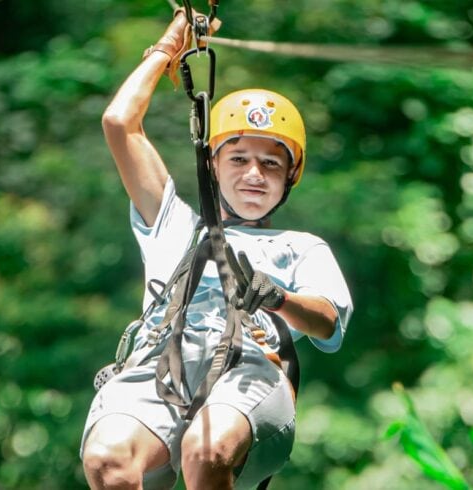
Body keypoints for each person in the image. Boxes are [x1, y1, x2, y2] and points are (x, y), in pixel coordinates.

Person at [80, 9, 353, 490]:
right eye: (240, 159)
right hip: (160, 368)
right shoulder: (172, 225)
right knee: (108, 459)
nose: (254, 174)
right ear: (213, 164)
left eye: (271, 164)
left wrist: (278, 299)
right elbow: (120, 123)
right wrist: (171, 44)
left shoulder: (300, 247)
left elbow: (328, 322)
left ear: (289, 179)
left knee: (205, 451)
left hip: (249, 371)